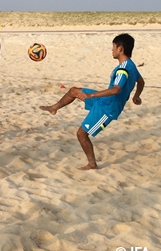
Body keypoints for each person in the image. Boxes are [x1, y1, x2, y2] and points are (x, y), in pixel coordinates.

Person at [40, 33, 144, 170]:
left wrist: (92, 95)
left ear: (120, 49)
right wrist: (136, 95)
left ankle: (92, 164)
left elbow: (116, 90)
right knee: (73, 91)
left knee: (81, 135)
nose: (112, 50)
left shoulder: (123, 69)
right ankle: (54, 107)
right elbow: (141, 81)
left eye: (113, 47)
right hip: (105, 99)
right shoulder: (131, 65)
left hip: (108, 108)